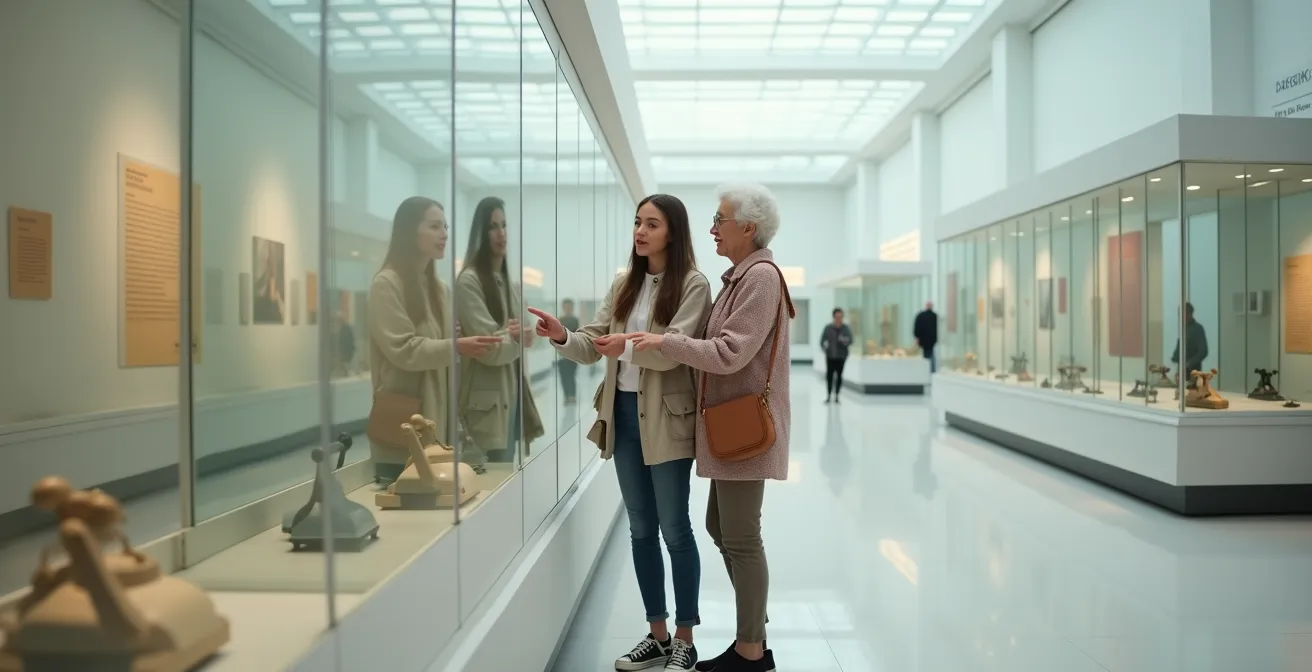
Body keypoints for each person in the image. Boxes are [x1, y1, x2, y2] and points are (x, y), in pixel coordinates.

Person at [529, 194, 712, 672]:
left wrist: (623, 349)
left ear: (673, 231)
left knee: (674, 528)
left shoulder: (693, 284)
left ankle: (685, 639)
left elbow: (675, 350)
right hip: (623, 414)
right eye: (637, 222)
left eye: (651, 224)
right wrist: (562, 336)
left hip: (667, 416)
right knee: (639, 529)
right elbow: (593, 344)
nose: (640, 231)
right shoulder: (624, 284)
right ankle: (656, 633)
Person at [628, 182, 791, 672]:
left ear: (749, 227)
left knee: (741, 536)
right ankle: (753, 633)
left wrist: (662, 343)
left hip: (742, 429)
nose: (713, 228)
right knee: (721, 527)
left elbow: (728, 351)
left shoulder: (760, 277)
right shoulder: (738, 278)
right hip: (728, 428)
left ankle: (751, 651)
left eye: (721, 220)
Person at [367, 197, 501, 482]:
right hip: (403, 429)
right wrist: (455, 345)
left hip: (437, 430)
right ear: (410, 231)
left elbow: (438, 347)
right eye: (434, 226)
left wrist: (456, 342)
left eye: (446, 227)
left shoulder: (438, 289)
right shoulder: (387, 284)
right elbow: (403, 349)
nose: (444, 234)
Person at [455, 196, 544, 468]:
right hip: (487, 407)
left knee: (509, 482)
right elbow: (490, 348)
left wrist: (525, 336)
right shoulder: (469, 281)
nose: (501, 233)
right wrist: (516, 338)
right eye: (493, 226)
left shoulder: (512, 285)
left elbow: (522, 335)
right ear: (481, 232)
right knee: (489, 487)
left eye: (504, 225)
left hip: (513, 399)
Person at [1171, 302, 1208, 386]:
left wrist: (1189, 364)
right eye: (1179, 315)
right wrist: (1175, 357)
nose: (1181, 318)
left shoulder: (1198, 329)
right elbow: (1180, 348)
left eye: (1183, 315)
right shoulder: (1184, 329)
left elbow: (1203, 351)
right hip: (1182, 373)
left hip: (1193, 374)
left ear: (1189, 314)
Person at [819, 308, 852, 403]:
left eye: (840, 316)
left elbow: (850, 340)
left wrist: (844, 341)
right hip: (830, 356)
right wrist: (825, 348)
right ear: (834, 317)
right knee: (829, 376)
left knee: (839, 376)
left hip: (841, 356)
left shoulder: (846, 328)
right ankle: (829, 396)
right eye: (837, 316)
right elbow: (822, 340)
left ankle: (837, 395)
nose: (839, 318)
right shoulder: (828, 328)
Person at [557, 299, 580, 404]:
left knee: (571, 375)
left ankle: (572, 396)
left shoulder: (575, 320)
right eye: (565, 307)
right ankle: (567, 396)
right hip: (561, 354)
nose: (567, 309)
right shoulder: (559, 320)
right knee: (563, 376)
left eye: (569, 307)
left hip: (572, 353)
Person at [913, 301, 939, 373]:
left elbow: (917, 327)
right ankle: (931, 369)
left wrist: (917, 337)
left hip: (924, 339)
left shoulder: (921, 315)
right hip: (931, 339)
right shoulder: (935, 316)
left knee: (927, 354)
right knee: (930, 353)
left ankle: (928, 369)